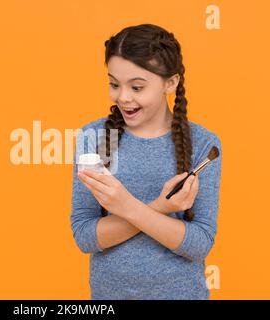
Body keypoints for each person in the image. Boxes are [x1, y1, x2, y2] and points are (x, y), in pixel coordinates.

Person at [70, 24, 222, 299]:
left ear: (171, 82)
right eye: (114, 84)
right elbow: (85, 236)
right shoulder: (91, 138)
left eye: (137, 87)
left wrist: (127, 207)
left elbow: (199, 244)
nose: (123, 97)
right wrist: (160, 207)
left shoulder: (203, 143)